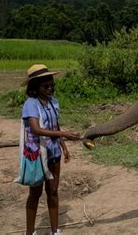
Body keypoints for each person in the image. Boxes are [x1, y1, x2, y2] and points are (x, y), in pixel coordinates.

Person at [21, 64, 81, 235]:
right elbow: (36, 129)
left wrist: (64, 146)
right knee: (35, 193)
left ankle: (55, 231)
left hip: (54, 152)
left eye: (51, 85)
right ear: (35, 87)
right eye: (45, 86)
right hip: (38, 154)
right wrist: (62, 133)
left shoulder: (54, 102)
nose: (49, 89)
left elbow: (55, 124)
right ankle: (29, 232)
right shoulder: (30, 104)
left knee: (53, 191)